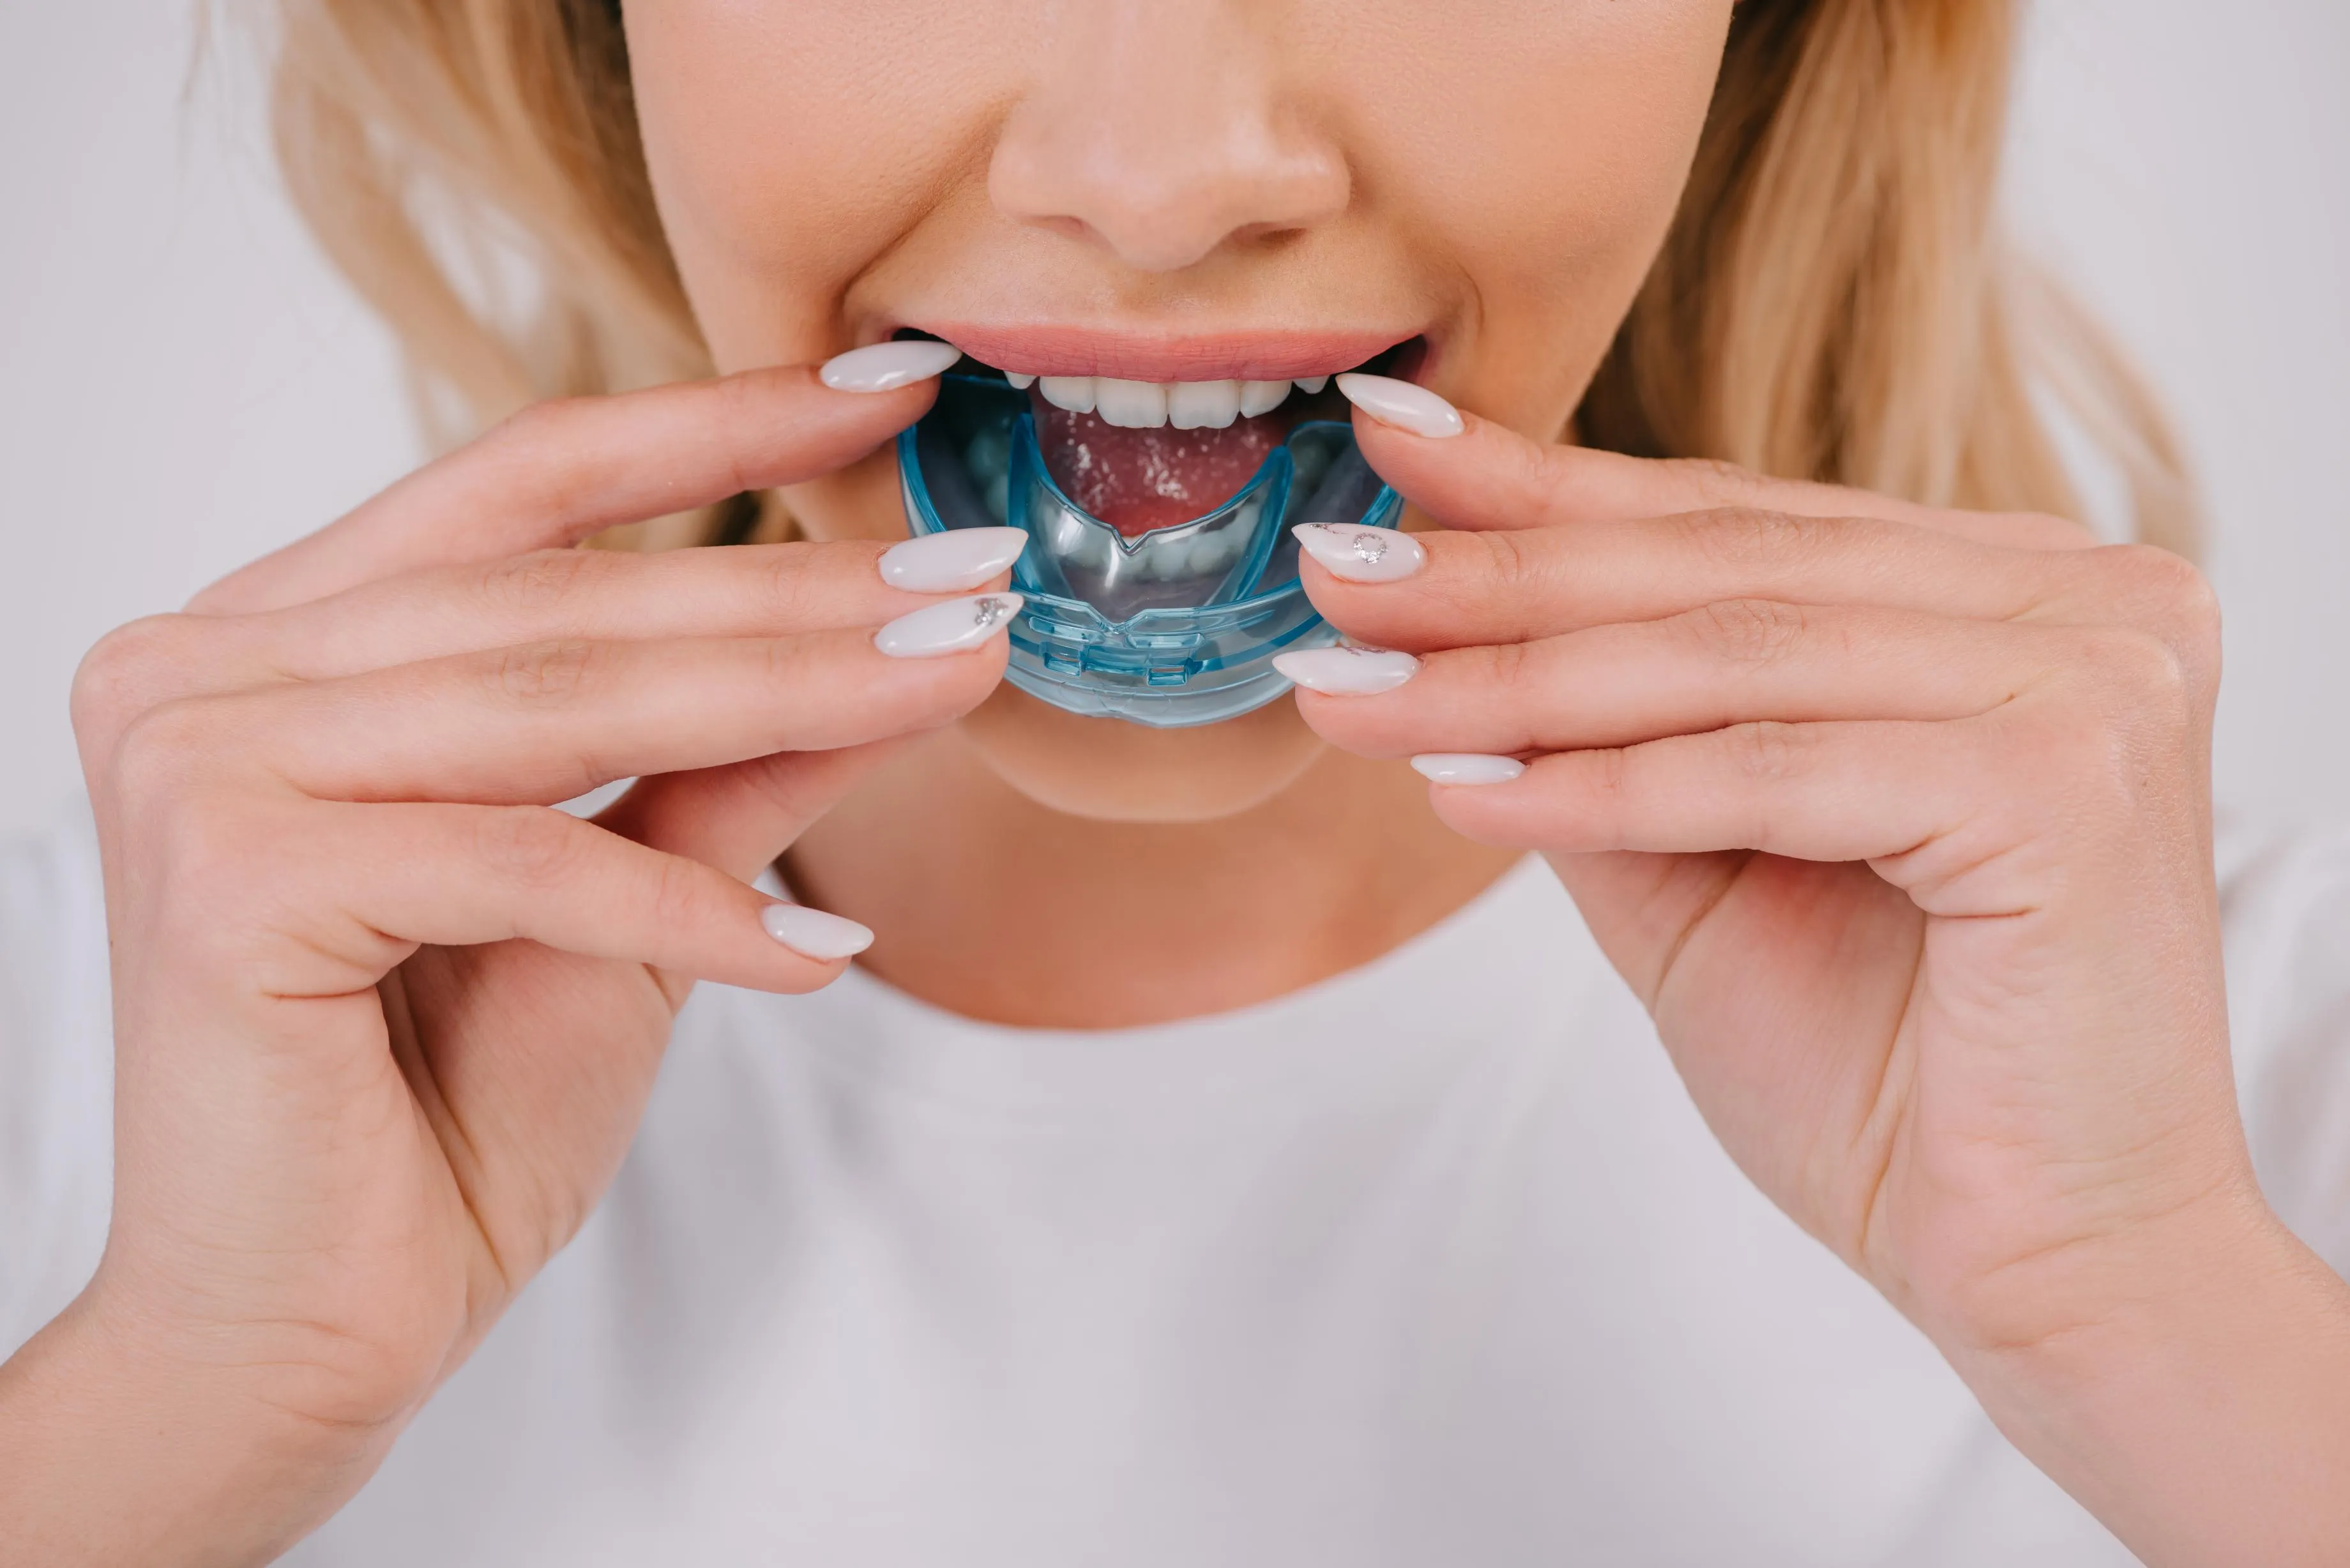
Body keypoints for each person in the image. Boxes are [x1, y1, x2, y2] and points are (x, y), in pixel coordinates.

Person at [4, 0, 2347, 1562]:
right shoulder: (109, 1074)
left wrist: (2162, 1334)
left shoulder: (2243, 1095)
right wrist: (166, 1421)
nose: (1162, 175)